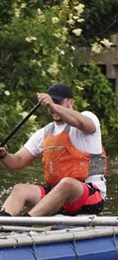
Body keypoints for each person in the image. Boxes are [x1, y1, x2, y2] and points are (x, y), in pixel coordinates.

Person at [0, 83, 106, 217]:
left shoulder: (88, 118)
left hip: (89, 196)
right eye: (51, 103)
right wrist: (3, 155)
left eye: (58, 102)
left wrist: (52, 105)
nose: (53, 107)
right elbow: (17, 162)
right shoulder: (44, 133)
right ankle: (4, 226)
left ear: (70, 102)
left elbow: (81, 123)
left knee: (66, 183)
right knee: (19, 189)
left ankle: (28, 220)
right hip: (56, 198)